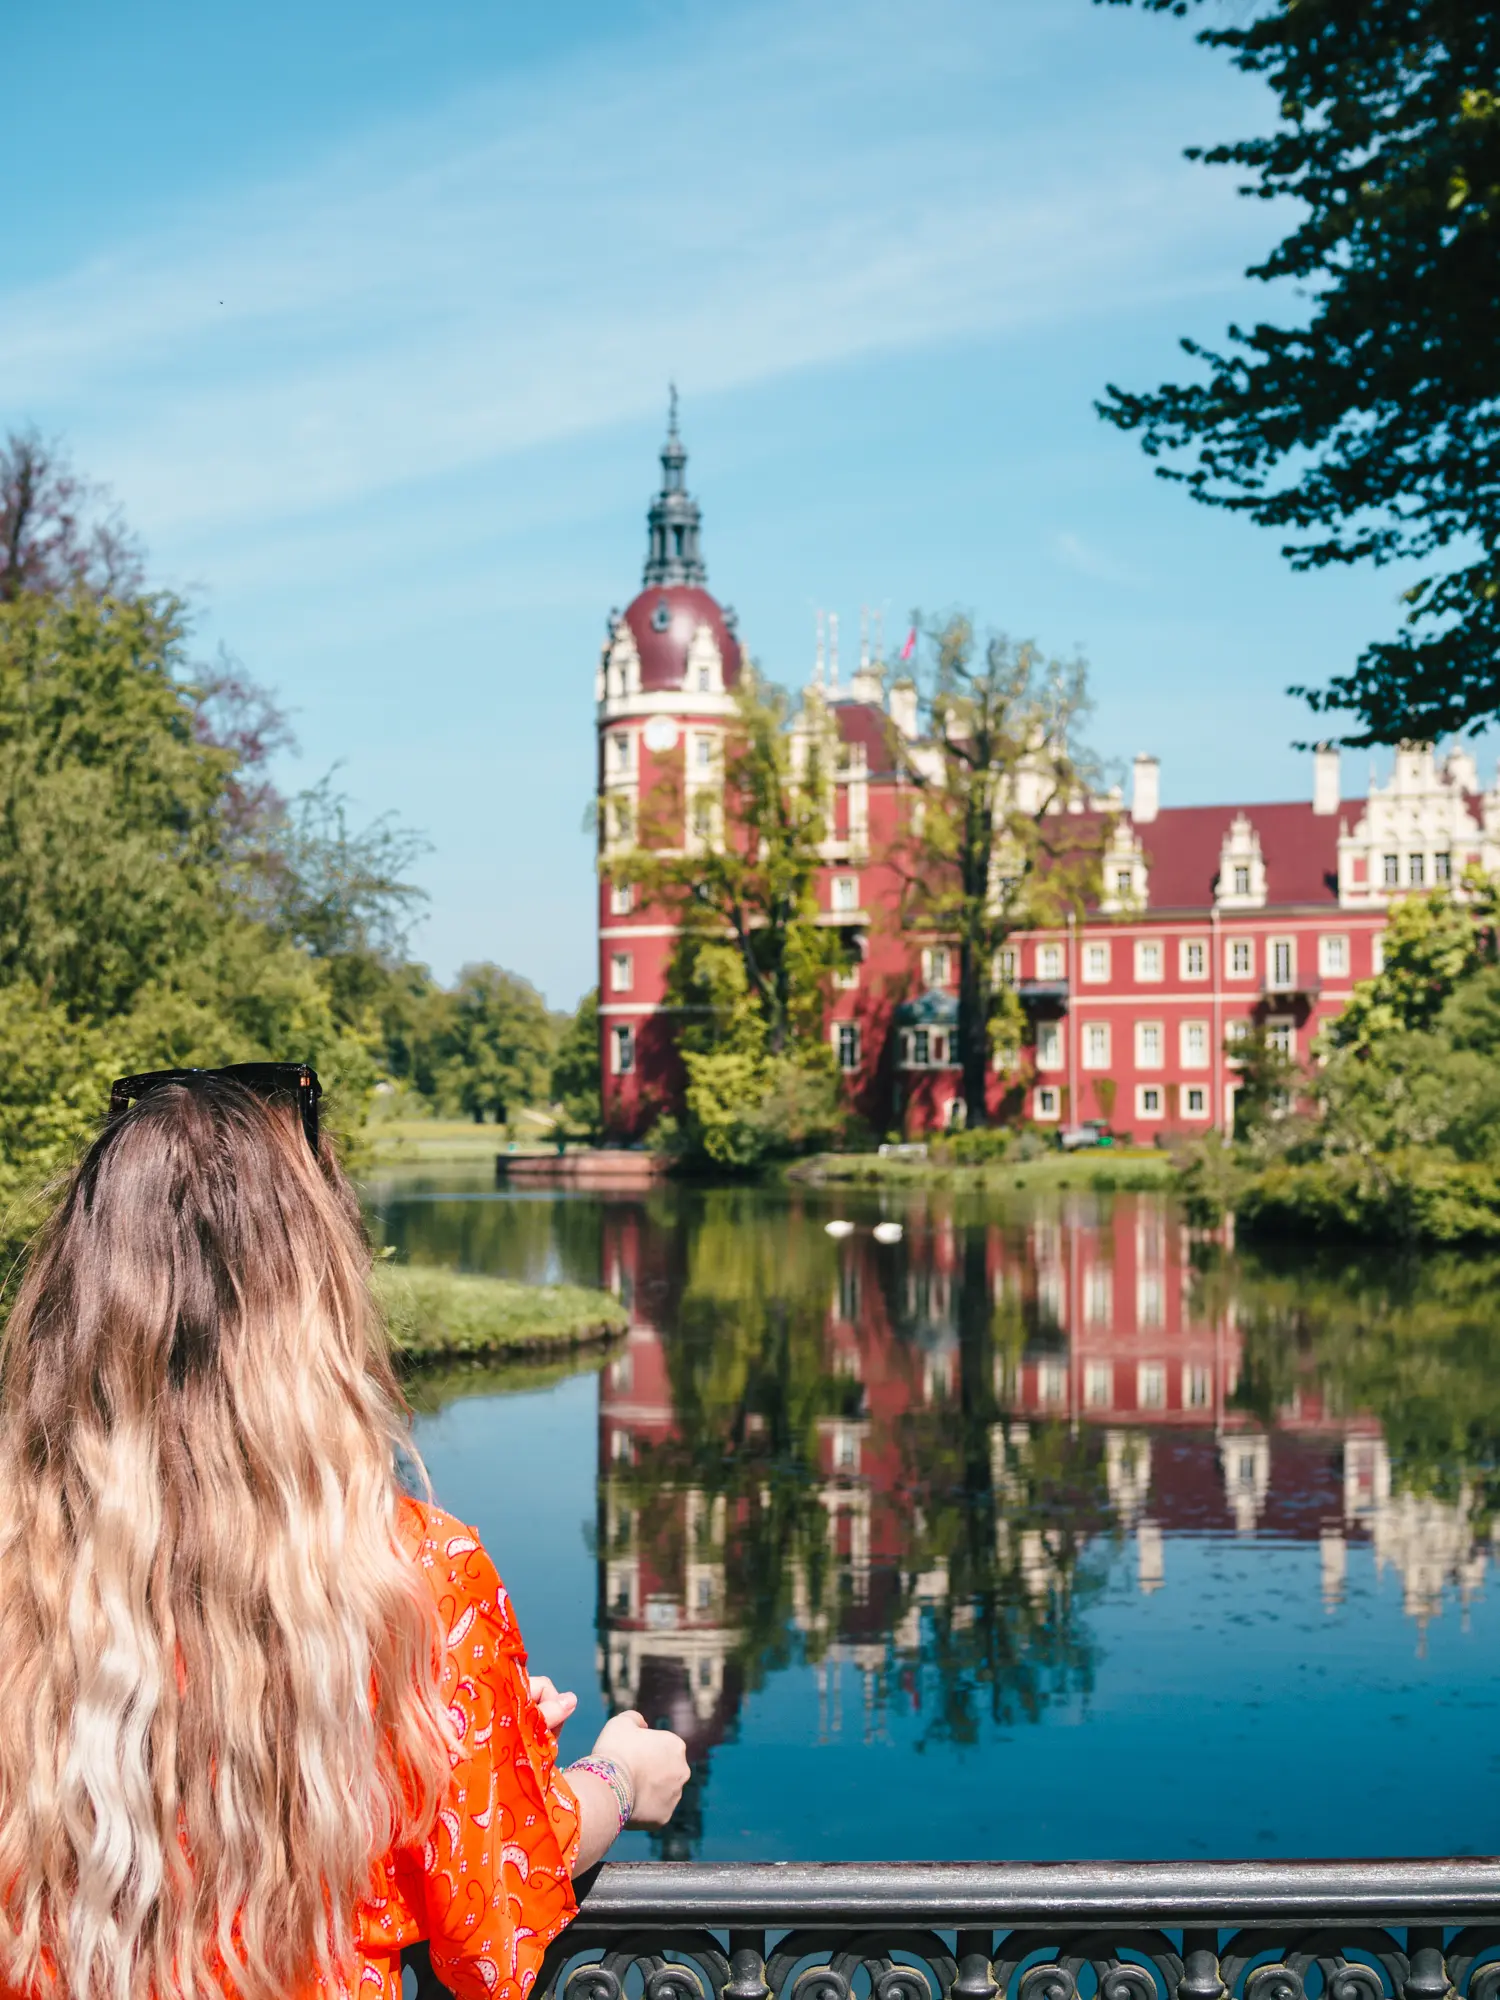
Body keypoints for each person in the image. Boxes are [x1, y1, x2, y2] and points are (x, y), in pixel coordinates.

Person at [0, 1066, 689, 2000]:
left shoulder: (20, 1562)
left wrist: (467, 1720)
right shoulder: (415, 1581)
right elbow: (488, 1925)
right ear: (312, 1303)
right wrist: (615, 1774)